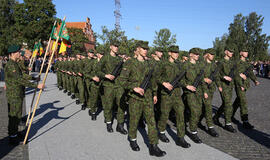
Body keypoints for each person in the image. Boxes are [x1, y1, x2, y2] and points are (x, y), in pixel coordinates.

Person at [120, 40, 166, 157]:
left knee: (151, 121)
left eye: (147, 49)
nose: (146, 50)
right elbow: (121, 81)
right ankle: (133, 139)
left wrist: (155, 94)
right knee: (134, 121)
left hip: (148, 96)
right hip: (135, 98)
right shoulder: (130, 63)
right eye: (144, 48)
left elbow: (153, 80)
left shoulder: (150, 64)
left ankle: (153, 146)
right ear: (138, 49)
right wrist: (133, 88)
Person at [4, 45, 44, 145]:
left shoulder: (14, 64)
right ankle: (13, 137)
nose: (19, 53)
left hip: (17, 93)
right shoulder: (11, 65)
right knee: (14, 116)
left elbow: (22, 76)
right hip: (14, 94)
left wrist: (34, 79)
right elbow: (19, 79)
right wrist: (36, 85)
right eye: (18, 52)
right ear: (12, 53)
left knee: (17, 115)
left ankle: (15, 133)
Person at [157, 45, 191, 148]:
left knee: (180, 114)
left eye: (177, 52)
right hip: (166, 94)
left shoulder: (179, 65)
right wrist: (163, 83)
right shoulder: (163, 64)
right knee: (164, 114)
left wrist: (186, 85)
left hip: (176, 94)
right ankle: (161, 131)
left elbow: (182, 79)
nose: (176, 54)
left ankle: (180, 138)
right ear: (169, 53)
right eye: (174, 52)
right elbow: (156, 77)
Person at [96, 40, 127, 134]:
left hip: (118, 85)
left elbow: (122, 72)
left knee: (121, 105)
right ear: (110, 47)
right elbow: (97, 70)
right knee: (108, 105)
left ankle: (120, 125)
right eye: (114, 46)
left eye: (117, 46)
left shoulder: (119, 59)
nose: (116, 48)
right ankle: (109, 123)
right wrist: (106, 76)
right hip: (108, 85)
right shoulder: (105, 58)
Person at [232, 47, 260, 129]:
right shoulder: (236, 62)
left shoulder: (247, 62)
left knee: (238, 101)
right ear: (241, 53)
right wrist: (240, 84)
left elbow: (250, 72)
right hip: (239, 85)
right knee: (243, 102)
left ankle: (230, 115)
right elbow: (234, 73)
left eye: (247, 51)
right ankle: (245, 121)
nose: (246, 53)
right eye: (245, 51)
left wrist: (255, 80)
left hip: (245, 85)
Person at [213, 45, 237, 133]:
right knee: (228, 104)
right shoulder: (221, 62)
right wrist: (221, 81)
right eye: (230, 51)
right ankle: (228, 124)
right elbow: (216, 74)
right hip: (223, 85)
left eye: (232, 52)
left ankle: (215, 117)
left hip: (230, 86)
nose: (231, 53)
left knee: (225, 104)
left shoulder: (232, 62)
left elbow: (235, 73)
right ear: (226, 52)